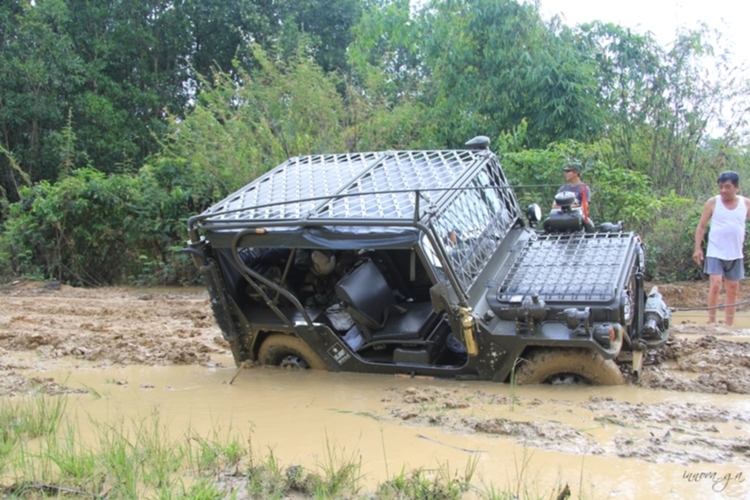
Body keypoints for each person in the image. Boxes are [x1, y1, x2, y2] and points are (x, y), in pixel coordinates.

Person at [693, 170, 750, 326]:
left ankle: (728, 324)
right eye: (720, 187)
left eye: (727, 187)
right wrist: (697, 249)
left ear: (736, 187)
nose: (723, 190)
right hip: (715, 251)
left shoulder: (745, 203)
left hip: (735, 253)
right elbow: (701, 226)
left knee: (733, 288)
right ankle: (711, 322)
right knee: (716, 284)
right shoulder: (713, 202)